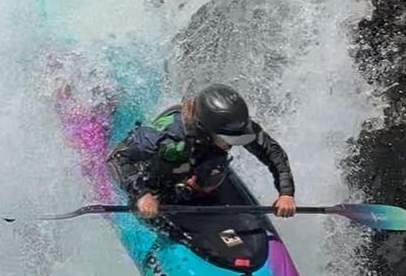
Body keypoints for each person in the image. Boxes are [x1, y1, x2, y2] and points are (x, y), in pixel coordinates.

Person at [107, 83, 296, 221]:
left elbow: (272, 151)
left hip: (198, 167)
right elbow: (118, 158)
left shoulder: (237, 125)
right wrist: (141, 194)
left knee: (213, 169)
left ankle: (196, 186)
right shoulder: (169, 136)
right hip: (156, 176)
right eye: (228, 140)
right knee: (177, 166)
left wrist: (286, 193)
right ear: (205, 129)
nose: (233, 145)